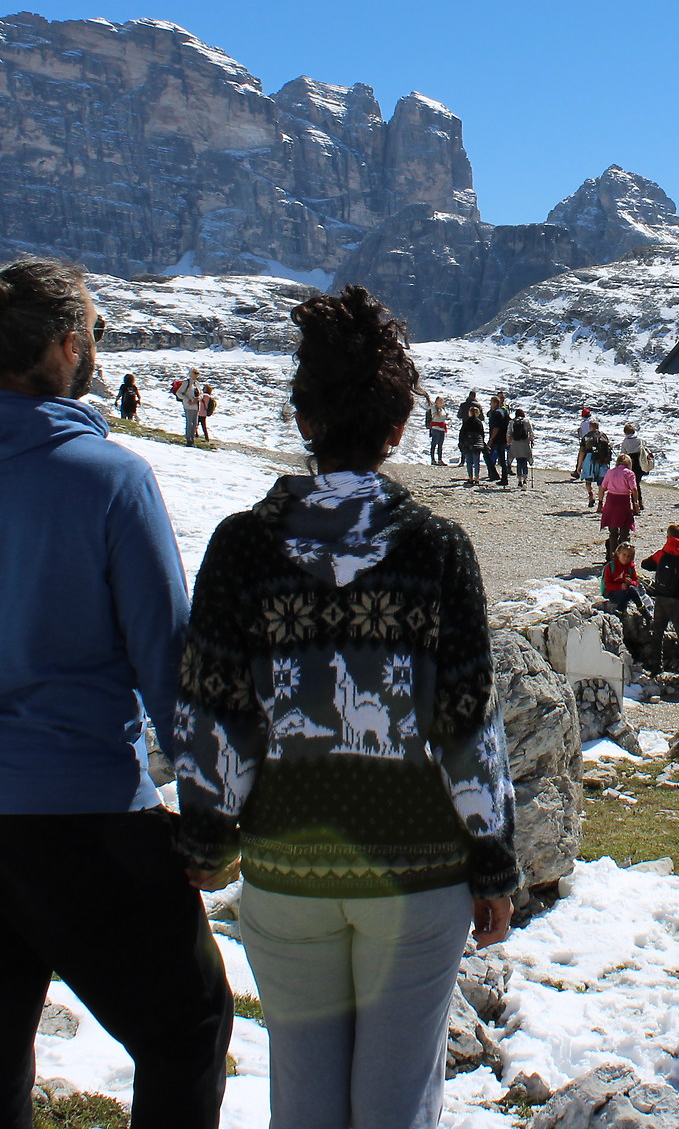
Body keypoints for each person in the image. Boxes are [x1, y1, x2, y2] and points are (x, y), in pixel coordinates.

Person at [0, 257, 231, 1129]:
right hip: (80, 802)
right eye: (94, 332)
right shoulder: (108, 478)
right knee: (187, 1024)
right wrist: (210, 811)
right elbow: (167, 666)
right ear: (67, 346)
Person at [174, 286, 516, 1129]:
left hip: (286, 873)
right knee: (397, 1107)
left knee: (303, 1101)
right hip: (418, 878)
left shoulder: (241, 546)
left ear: (305, 417)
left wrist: (206, 839)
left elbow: (215, 712)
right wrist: (493, 865)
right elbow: (468, 723)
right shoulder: (438, 549)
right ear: (398, 429)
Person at [640, 525, 679, 686]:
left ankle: (656, 667)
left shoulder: (662, 553)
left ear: (668, 537)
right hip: (677, 599)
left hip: (660, 597)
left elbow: (645, 564)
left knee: (658, 632)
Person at [602, 540, 646, 662]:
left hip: (626, 591)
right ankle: (640, 608)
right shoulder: (611, 567)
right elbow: (607, 584)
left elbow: (636, 581)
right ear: (618, 554)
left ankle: (624, 610)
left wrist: (631, 582)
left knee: (631, 590)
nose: (626, 558)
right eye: (624, 555)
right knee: (629, 592)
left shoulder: (630, 567)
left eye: (629, 556)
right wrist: (620, 586)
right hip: (613, 593)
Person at [599, 452, 639, 557]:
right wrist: (635, 503)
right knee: (624, 531)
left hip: (611, 501)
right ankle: (625, 556)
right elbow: (634, 489)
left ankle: (613, 557)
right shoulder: (629, 473)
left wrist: (600, 502)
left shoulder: (610, 472)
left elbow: (603, 488)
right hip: (623, 502)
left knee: (613, 533)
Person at [577, 426, 612, 509]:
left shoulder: (586, 437)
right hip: (602, 462)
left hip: (589, 461)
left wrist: (579, 466)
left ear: (590, 427)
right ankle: (600, 503)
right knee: (601, 484)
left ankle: (590, 496)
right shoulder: (603, 436)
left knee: (588, 481)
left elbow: (582, 452)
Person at [457, 394, 485, 485]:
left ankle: (470, 478)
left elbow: (462, 432)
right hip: (477, 442)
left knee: (469, 461)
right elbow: (482, 433)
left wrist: (461, 442)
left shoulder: (467, 421)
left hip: (468, 443)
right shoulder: (479, 422)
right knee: (476, 461)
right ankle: (477, 478)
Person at [507, 407, 535, 490]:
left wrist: (509, 443)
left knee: (518, 461)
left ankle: (519, 480)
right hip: (524, 443)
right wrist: (531, 440)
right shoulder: (526, 421)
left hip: (515, 443)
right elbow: (531, 433)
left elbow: (508, 434)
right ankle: (525, 480)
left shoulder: (512, 422)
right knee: (524, 461)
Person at [485, 395, 510, 486]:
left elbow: (496, 427)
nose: (490, 404)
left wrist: (491, 439)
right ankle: (504, 478)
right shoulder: (504, 411)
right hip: (503, 438)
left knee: (487, 455)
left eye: (491, 402)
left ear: (495, 403)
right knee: (502, 459)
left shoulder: (496, 413)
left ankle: (494, 474)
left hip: (496, 439)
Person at [178, 370, 204, 446]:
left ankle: (192, 439)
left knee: (195, 423)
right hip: (188, 405)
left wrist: (198, 398)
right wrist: (187, 399)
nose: (197, 375)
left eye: (198, 373)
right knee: (190, 423)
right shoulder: (186, 383)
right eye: (195, 373)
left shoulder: (197, 383)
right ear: (191, 374)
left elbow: (201, 394)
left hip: (196, 405)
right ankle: (188, 440)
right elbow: (179, 393)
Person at [569, 408, 595, 481]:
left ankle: (577, 472)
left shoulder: (584, 423)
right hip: (594, 441)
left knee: (581, 457)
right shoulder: (593, 420)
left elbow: (581, 434)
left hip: (585, 442)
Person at [426, 398, 449, 466]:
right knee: (434, 443)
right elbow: (438, 416)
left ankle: (440, 459)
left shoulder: (443, 409)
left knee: (440, 444)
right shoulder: (434, 408)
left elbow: (444, 417)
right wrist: (439, 409)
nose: (441, 402)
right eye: (440, 401)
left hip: (442, 428)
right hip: (436, 427)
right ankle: (433, 460)